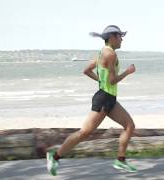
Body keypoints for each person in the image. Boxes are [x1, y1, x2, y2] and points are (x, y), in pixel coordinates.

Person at [46, 25, 137, 176]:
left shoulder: (102, 53)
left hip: (108, 97)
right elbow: (113, 81)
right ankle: (55, 156)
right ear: (113, 37)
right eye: (120, 36)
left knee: (129, 125)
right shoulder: (111, 55)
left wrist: (101, 81)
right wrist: (128, 72)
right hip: (104, 99)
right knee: (84, 133)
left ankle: (120, 161)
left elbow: (86, 70)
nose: (122, 39)